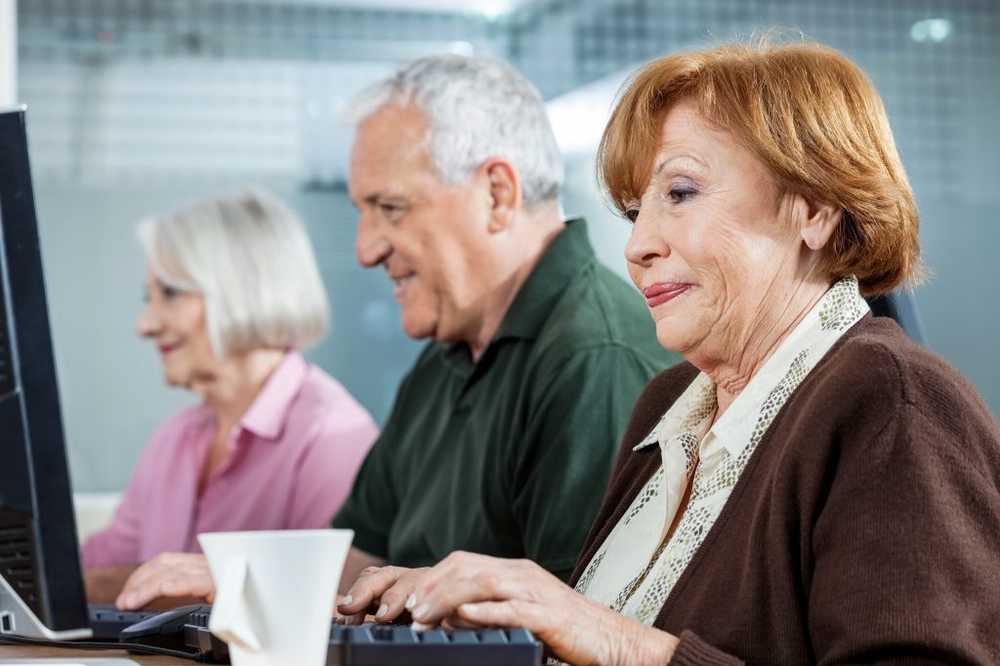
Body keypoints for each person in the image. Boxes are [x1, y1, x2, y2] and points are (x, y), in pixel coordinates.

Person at [335, 41, 1000, 664]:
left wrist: (619, 644)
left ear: (816, 211)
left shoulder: (891, 404)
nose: (638, 245)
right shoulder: (671, 403)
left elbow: (607, 641)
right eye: (634, 210)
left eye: (680, 194)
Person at [113, 54, 675, 611]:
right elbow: (363, 558)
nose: (365, 249)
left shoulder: (594, 359)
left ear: (497, 195)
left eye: (390, 207)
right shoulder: (445, 357)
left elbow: (569, 629)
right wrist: (232, 575)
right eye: (363, 211)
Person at [82, 189, 378, 603]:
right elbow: (94, 568)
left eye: (170, 293)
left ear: (241, 289)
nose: (145, 325)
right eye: (149, 298)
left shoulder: (331, 435)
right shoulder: (176, 437)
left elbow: (328, 601)